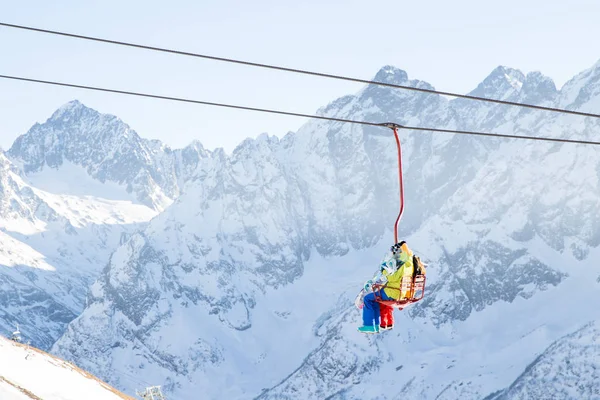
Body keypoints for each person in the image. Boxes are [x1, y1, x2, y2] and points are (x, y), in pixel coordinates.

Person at [357, 241, 414, 334]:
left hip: (393, 292)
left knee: (368, 299)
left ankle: (370, 325)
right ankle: (376, 325)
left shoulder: (403, 266)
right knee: (375, 299)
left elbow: (393, 278)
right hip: (401, 292)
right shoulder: (409, 264)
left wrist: (384, 272)